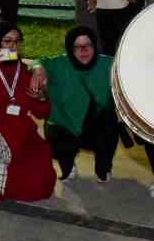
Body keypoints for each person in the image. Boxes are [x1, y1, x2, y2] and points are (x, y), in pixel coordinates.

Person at [0, 25, 56, 202]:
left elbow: (42, 113)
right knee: (1, 190)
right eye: (7, 41)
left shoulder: (26, 72)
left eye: (16, 41)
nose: (13, 46)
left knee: (41, 184)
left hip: (22, 134)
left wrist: (42, 98)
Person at [32, 26, 119, 186]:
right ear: (70, 49)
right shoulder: (59, 64)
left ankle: (103, 167)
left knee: (111, 126)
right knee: (54, 135)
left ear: (95, 46)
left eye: (88, 45)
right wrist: (38, 70)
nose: (83, 50)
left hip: (96, 124)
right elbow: (37, 62)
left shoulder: (109, 64)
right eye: (77, 46)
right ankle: (68, 165)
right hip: (66, 124)